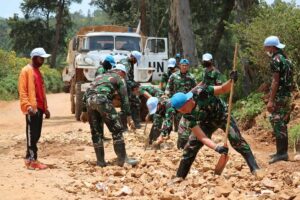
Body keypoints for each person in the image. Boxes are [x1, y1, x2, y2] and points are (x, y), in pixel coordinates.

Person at [170, 71, 261, 179]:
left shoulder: (201, 92)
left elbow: (223, 89)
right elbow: (202, 137)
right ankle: (179, 177)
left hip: (222, 115)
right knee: (191, 147)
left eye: (184, 108)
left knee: (237, 140)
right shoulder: (187, 116)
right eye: (181, 111)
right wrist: (217, 148)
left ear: (189, 100)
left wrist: (231, 80)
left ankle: (255, 169)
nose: (184, 112)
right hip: (206, 122)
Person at [80, 64, 138, 167]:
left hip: (90, 101)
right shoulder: (119, 78)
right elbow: (124, 98)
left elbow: (87, 93)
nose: (124, 77)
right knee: (116, 129)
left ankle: (100, 162)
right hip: (102, 100)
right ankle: (123, 160)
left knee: (96, 133)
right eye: (124, 75)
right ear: (122, 72)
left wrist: (84, 111)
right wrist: (129, 116)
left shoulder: (99, 76)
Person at [18, 47, 51, 170]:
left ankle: (29, 158)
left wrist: (45, 108)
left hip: (40, 108)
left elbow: (41, 91)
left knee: (36, 135)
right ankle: (32, 160)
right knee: (32, 135)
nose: (43, 60)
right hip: (32, 109)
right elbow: (23, 91)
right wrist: (28, 107)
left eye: (43, 58)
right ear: (34, 58)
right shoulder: (26, 71)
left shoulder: (38, 72)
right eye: (41, 58)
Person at [263, 36, 293, 164]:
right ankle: (280, 151)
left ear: (272, 47)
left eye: (266, 47)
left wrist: (271, 100)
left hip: (280, 95)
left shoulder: (276, 59)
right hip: (286, 95)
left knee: (277, 122)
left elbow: (275, 81)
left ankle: (282, 153)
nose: (266, 50)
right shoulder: (286, 59)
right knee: (281, 122)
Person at [165, 59, 196, 132]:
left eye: (186, 66)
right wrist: (167, 97)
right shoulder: (174, 76)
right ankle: (173, 131)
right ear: (179, 66)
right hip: (176, 101)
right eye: (183, 65)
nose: (184, 67)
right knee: (176, 120)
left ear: (188, 66)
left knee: (186, 121)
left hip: (187, 102)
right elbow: (168, 88)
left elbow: (195, 89)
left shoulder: (191, 77)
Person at [119, 51, 143, 128]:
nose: (136, 62)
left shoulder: (129, 63)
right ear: (133, 58)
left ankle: (132, 123)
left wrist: (134, 83)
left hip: (126, 86)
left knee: (132, 102)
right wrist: (134, 84)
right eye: (136, 60)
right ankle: (132, 124)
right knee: (132, 102)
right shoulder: (126, 64)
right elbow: (124, 79)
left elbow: (129, 78)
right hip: (123, 86)